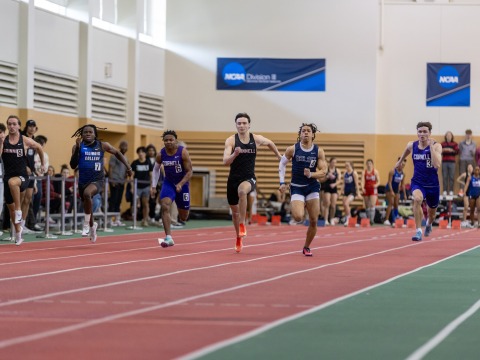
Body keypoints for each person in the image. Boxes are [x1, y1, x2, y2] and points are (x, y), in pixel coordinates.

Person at [223, 112, 282, 253]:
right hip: (233, 179)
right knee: (234, 213)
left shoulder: (256, 139)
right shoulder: (231, 140)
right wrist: (234, 154)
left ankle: (243, 224)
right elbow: (225, 161)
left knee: (242, 191)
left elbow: (270, 143)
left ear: (249, 125)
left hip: (249, 177)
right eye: (239, 123)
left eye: (244, 123)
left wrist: (279, 156)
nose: (242, 125)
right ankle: (238, 237)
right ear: (236, 125)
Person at [69, 124, 132, 243]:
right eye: (85, 132)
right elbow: (73, 165)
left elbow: (117, 153)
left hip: (97, 179)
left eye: (90, 132)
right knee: (87, 204)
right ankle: (93, 227)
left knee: (88, 194)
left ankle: (86, 224)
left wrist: (128, 167)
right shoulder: (77, 146)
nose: (88, 134)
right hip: (83, 181)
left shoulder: (102, 145)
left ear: (95, 134)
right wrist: (77, 148)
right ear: (81, 135)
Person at [279, 123, 327, 256]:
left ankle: (306, 246)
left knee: (313, 220)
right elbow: (282, 164)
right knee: (298, 217)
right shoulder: (292, 149)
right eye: (303, 131)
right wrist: (282, 182)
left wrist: (311, 174)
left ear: (313, 134)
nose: (305, 132)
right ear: (300, 134)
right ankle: (300, 205)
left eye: (308, 131)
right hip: (297, 187)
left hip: (312, 187)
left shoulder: (318, 151)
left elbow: (324, 172)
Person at [0, 115, 45, 245]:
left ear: (19, 126)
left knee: (13, 183)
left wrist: (42, 164)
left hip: (22, 176)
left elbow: (39, 148)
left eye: (14, 124)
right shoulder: (4, 140)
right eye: (9, 124)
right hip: (7, 175)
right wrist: (1, 142)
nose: (12, 126)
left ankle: (20, 210)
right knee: (10, 207)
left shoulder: (24, 140)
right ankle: (18, 233)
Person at [395, 121, 442, 241]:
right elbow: (406, 150)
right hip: (418, 182)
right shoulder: (412, 145)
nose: (422, 134)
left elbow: (437, 164)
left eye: (425, 132)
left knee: (432, 214)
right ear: (417, 133)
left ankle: (428, 224)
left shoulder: (437, 146)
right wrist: (400, 162)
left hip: (432, 185)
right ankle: (418, 231)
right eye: (420, 131)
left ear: (430, 133)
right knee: (417, 199)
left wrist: (430, 147)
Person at [150, 130, 193, 247]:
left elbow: (189, 172)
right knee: (165, 205)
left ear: (176, 141)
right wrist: (153, 186)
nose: (168, 142)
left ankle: (183, 210)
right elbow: (156, 169)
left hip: (182, 184)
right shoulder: (161, 154)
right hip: (168, 183)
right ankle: (168, 237)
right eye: (166, 140)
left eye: (171, 140)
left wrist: (181, 183)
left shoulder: (183, 152)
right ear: (163, 142)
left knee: (184, 217)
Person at [20, 119, 38, 234]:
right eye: (29, 126)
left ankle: (22, 224)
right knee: (20, 199)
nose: (31, 128)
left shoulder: (34, 140)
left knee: (27, 200)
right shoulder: (22, 138)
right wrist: (24, 166)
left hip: (31, 173)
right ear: (26, 127)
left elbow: (33, 158)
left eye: (33, 126)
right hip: (21, 172)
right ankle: (15, 224)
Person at [131, 146, 153, 227]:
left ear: (145, 154)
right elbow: (131, 176)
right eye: (139, 152)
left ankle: (145, 220)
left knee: (145, 204)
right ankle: (134, 220)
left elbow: (151, 175)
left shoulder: (148, 162)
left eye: (142, 152)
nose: (141, 154)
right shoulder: (135, 163)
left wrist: (151, 187)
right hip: (137, 186)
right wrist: (132, 187)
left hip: (146, 186)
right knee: (135, 204)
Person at [108, 140, 128, 226]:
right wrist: (111, 180)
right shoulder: (114, 156)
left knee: (118, 201)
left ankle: (116, 219)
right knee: (113, 200)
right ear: (120, 147)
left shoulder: (126, 158)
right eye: (123, 146)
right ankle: (109, 219)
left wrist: (125, 178)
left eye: (126, 146)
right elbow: (110, 168)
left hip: (121, 182)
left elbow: (127, 170)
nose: (124, 148)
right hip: (114, 181)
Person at [384, 157, 407, 225]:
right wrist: (391, 191)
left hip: (396, 189)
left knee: (396, 204)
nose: (402, 166)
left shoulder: (403, 174)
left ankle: (395, 220)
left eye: (403, 165)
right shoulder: (392, 171)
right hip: (389, 188)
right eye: (401, 164)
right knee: (391, 203)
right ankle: (386, 219)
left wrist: (405, 194)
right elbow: (389, 182)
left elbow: (402, 184)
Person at [321, 157, 341, 226]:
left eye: (335, 163)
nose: (334, 164)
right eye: (333, 162)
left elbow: (339, 180)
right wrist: (327, 177)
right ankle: (326, 219)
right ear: (330, 162)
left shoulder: (337, 170)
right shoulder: (326, 170)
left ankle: (331, 219)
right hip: (327, 187)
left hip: (334, 188)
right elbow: (322, 180)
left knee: (333, 205)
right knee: (327, 204)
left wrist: (335, 184)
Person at [342, 161, 362, 226]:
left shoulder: (354, 173)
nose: (346, 167)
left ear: (351, 165)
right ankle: (348, 218)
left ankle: (349, 219)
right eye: (345, 166)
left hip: (352, 192)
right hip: (346, 192)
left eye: (347, 165)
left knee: (346, 203)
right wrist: (340, 191)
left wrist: (358, 193)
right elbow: (343, 183)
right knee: (345, 205)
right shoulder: (345, 173)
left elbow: (357, 184)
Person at [458, 129, 476, 196]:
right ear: (465, 135)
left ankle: (471, 188)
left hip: (470, 160)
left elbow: (473, 153)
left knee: (471, 174)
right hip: (462, 160)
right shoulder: (461, 143)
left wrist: (472, 152)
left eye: (469, 134)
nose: (468, 136)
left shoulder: (474, 143)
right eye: (467, 134)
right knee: (462, 174)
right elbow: (460, 151)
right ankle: (461, 190)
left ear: (471, 135)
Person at [362, 159, 380, 225]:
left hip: (373, 189)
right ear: (366, 164)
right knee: (367, 205)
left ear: (372, 164)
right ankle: (368, 219)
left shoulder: (375, 172)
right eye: (368, 164)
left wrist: (376, 185)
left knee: (372, 204)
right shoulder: (364, 172)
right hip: (366, 189)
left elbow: (378, 181)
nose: (369, 165)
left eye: (370, 163)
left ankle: (372, 220)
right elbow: (362, 181)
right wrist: (362, 187)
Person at [441, 131, 458, 196]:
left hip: (452, 162)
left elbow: (457, 152)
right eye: (447, 135)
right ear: (446, 136)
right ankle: (445, 190)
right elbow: (439, 151)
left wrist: (451, 150)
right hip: (444, 162)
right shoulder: (442, 144)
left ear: (451, 136)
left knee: (451, 177)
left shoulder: (455, 144)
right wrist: (444, 150)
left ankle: (451, 191)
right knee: (444, 176)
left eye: (450, 135)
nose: (448, 136)